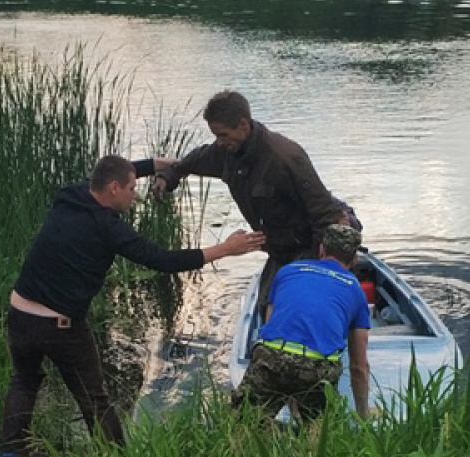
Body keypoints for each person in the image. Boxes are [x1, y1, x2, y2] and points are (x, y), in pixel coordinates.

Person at [0, 155, 265, 457]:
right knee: (95, 399)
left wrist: (159, 164)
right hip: (60, 326)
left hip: (19, 314)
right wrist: (225, 249)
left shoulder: (71, 194)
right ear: (113, 188)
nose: (134, 194)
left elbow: (117, 170)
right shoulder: (109, 228)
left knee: (24, 381)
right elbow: (163, 260)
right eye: (131, 188)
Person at [150, 90, 354, 311]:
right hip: (280, 249)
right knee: (265, 306)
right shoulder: (227, 152)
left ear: (243, 125)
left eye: (223, 135)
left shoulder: (285, 157)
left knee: (295, 306)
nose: (218, 142)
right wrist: (168, 176)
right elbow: (195, 160)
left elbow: (325, 216)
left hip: (310, 244)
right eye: (216, 136)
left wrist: (318, 269)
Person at [232, 224, 371, 421]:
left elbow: (270, 327)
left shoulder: (288, 271)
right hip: (318, 368)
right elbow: (359, 365)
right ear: (355, 258)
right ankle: (310, 434)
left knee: (244, 424)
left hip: (272, 359)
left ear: (321, 250)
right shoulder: (355, 290)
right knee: (318, 433)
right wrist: (362, 415)